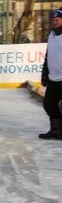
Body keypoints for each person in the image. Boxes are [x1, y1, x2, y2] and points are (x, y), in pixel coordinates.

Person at [39, 8, 62, 140]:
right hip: (53, 78)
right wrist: (45, 73)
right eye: (53, 20)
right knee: (49, 104)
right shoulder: (51, 36)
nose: (55, 22)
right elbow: (49, 56)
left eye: (57, 19)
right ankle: (56, 130)